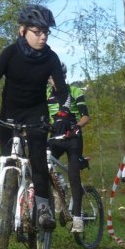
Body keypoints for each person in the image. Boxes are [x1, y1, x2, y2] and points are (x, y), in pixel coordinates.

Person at [0, 4, 71, 231]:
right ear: (22, 30)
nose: (43, 37)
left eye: (46, 32)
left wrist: (64, 114)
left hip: (36, 113)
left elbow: (63, 92)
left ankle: (43, 208)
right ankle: (9, 207)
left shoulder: (51, 58)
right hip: (10, 113)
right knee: (7, 160)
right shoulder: (10, 53)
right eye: (37, 32)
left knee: (38, 160)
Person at [47, 63, 90, 233]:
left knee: (74, 176)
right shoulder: (46, 94)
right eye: (50, 77)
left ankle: (78, 218)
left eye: (57, 76)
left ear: (64, 76)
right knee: (43, 165)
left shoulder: (75, 91)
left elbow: (85, 116)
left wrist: (75, 128)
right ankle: (59, 189)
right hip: (55, 137)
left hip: (72, 137)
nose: (53, 80)